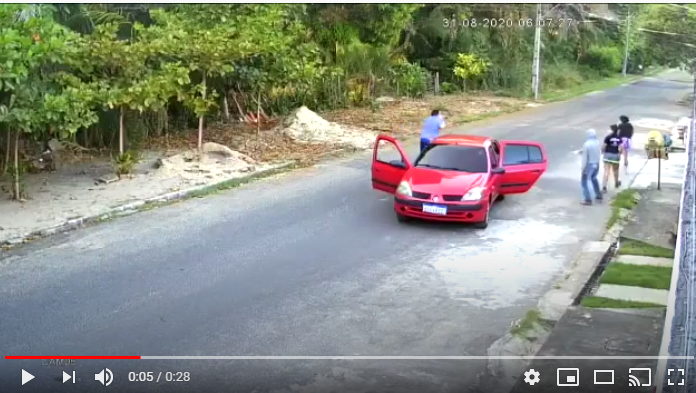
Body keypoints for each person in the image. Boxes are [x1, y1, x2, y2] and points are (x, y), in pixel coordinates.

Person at [580, 129, 602, 205]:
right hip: (596, 163)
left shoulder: (586, 144)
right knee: (594, 178)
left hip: (589, 165)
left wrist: (583, 168)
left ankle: (588, 199)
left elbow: (585, 158)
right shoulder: (597, 142)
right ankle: (598, 195)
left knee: (584, 182)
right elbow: (598, 152)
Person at [602, 124, 623, 192]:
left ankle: (604, 186)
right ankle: (616, 183)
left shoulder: (608, 137)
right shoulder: (619, 138)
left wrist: (603, 152)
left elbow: (603, 147)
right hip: (615, 155)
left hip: (607, 155)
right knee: (615, 170)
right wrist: (620, 154)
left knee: (606, 171)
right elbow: (621, 148)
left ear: (611, 130)